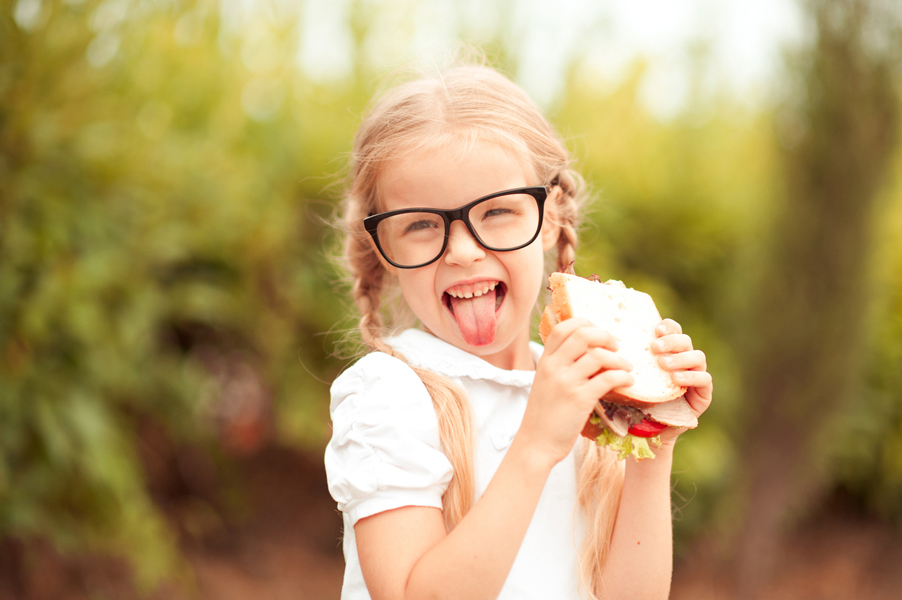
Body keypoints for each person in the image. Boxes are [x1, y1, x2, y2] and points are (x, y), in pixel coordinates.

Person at [324, 60, 713, 600]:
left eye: (498, 212)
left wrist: (654, 441)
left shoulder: (582, 388)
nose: (463, 250)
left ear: (548, 217)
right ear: (382, 248)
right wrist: (535, 445)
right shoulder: (389, 396)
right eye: (420, 223)